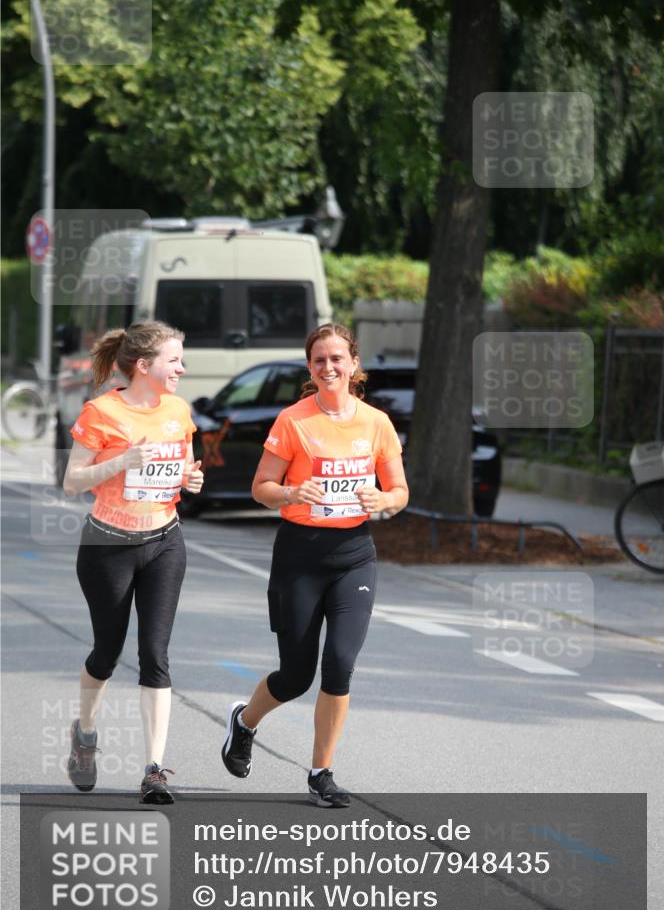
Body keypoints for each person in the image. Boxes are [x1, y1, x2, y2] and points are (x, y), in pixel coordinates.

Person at [221, 323, 408, 806]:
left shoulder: (376, 423)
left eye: (337, 359)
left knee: (340, 664)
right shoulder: (293, 420)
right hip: (300, 556)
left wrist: (381, 498)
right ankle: (245, 722)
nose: (329, 367)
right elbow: (260, 486)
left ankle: (321, 772)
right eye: (319, 360)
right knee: (296, 675)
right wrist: (289, 491)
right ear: (310, 367)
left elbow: (400, 492)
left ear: (353, 365)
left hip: (354, 557)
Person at [63, 321, 203, 804]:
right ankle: (84, 734)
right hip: (108, 545)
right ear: (144, 366)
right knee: (107, 652)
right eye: (175, 360)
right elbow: (72, 482)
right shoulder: (101, 411)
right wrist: (123, 460)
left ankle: (154, 771)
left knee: (156, 655)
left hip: (164, 540)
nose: (182, 368)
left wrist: (189, 478)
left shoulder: (178, 409)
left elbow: (183, 464)